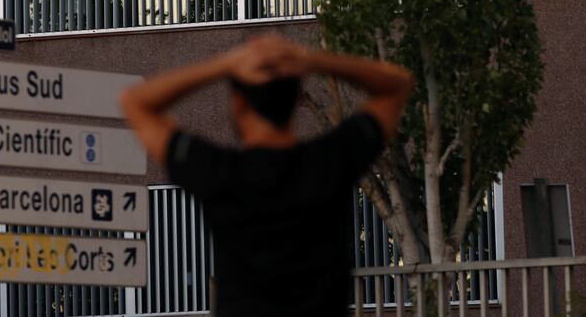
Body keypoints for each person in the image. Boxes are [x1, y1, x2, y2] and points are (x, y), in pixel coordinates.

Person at [119, 34, 414, 317]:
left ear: (238, 104)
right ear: (297, 98)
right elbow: (397, 85)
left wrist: (224, 64)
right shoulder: (330, 161)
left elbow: (136, 102)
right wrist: (309, 59)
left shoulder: (219, 172)